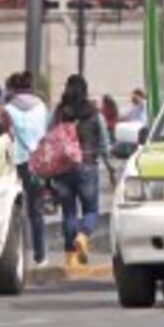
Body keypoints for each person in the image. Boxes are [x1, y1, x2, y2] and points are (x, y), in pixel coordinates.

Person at [51, 75, 109, 269]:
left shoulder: (59, 111)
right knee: (91, 210)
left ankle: (71, 258)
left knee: (68, 213)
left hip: (63, 167)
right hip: (87, 165)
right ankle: (83, 237)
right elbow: (104, 144)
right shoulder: (94, 113)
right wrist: (109, 166)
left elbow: (49, 135)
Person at [5, 72, 50, 267]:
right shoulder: (42, 108)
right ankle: (41, 256)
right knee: (36, 210)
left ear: (12, 89)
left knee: (14, 209)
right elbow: (47, 133)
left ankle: (16, 254)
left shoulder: (7, 110)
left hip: (15, 163)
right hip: (37, 162)